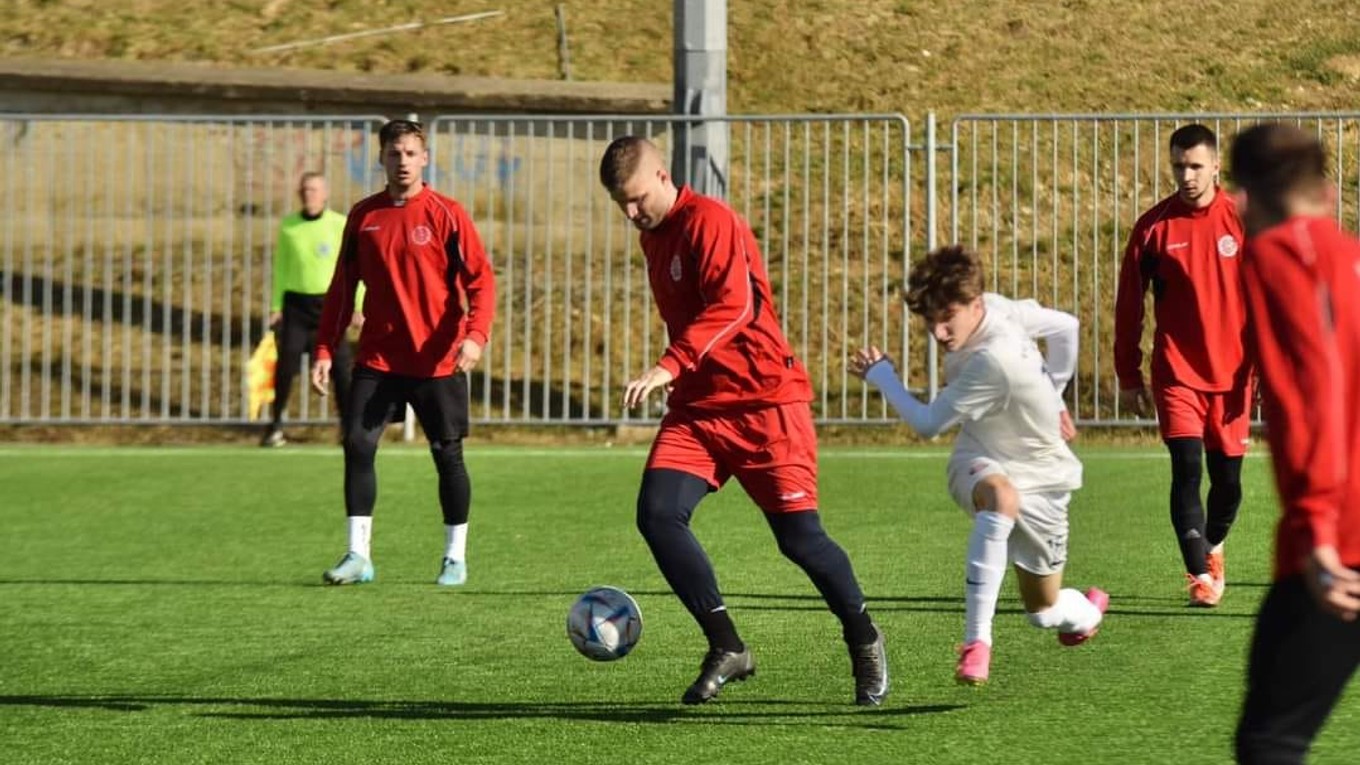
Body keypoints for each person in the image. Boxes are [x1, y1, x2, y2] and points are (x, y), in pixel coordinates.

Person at [598, 136, 888, 706]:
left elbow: (734, 307)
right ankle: (726, 645)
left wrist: (667, 366)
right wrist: (681, 377)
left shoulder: (710, 221)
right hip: (700, 411)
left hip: (764, 403)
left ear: (662, 176)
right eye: (620, 205)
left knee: (801, 542)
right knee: (657, 515)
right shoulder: (652, 236)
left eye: (636, 200)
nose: (632, 214)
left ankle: (863, 636)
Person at [851, 246, 1107, 686]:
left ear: (976, 303)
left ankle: (1086, 612)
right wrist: (1056, 393)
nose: (940, 332)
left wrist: (882, 376)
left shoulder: (994, 360)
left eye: (948, 316)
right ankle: (977, 643)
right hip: (980, 454)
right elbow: (1067, 327)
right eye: (930, 319)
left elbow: (928, 423)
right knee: (1000, 497)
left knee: (1044, 614)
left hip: (1046, 478)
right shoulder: (1002, 310)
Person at [311, 119, 496, 588]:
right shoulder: (363, 216)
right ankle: (358, 555)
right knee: (357, 443)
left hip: (437, 361)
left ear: (425, 158)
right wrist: (325, 349)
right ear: (382, 159)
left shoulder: (446, 213)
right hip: (378, 358)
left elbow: (482, 281)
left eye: (411, 153)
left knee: (447, 456)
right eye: (395, 154)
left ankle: (455, 557)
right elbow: (340, 288)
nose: (403, 162)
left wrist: (475, 335)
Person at [1230, 123, 1360, 764]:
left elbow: (1314, 389)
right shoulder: (1350, 256)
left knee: (1270, 743)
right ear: (1328, 192)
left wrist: (1315, 527)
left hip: (1344, 537)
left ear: (1242, 199)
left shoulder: (1280, 255)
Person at [1114, 123, 1252, 607]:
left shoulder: (1244, 220)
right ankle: (1199, 575)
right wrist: (1128, 375)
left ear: (1216, 166)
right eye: (1178, 165)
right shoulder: (1153, 227)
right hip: (1176, 372)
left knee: (1229, 482)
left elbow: (1275, 298)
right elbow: (1129, 306)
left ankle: (1213, 545)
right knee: (1187, 467)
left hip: (1235, 376)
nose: (1187, 175)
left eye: (1196, 165)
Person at [261, 171, 361, 448]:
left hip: (330, 306)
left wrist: (358, 305)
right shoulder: (289, 226)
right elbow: (281, 267)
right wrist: (276, 305)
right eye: (305, 190)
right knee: (286, 366)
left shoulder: (340, 224)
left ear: (325, 193)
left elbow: (355, 267)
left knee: (341, 368)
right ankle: (275, 425)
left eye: (315, 189)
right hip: (296, 306)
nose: (310, 194)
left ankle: (347, 426)